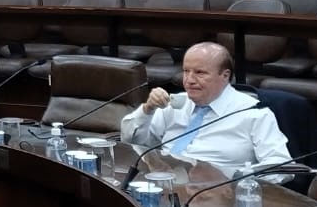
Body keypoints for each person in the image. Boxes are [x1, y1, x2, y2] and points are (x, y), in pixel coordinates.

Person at [119, 41, 291, 173]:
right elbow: (132, 142)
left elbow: (281, 165)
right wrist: (147, 110)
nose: (189, 80)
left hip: (219, 195)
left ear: (225, 76)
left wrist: (237, 178)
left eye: (199, 73)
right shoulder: (175, 103)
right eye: (186, 71)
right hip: (166, 184)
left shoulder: (253, 113)